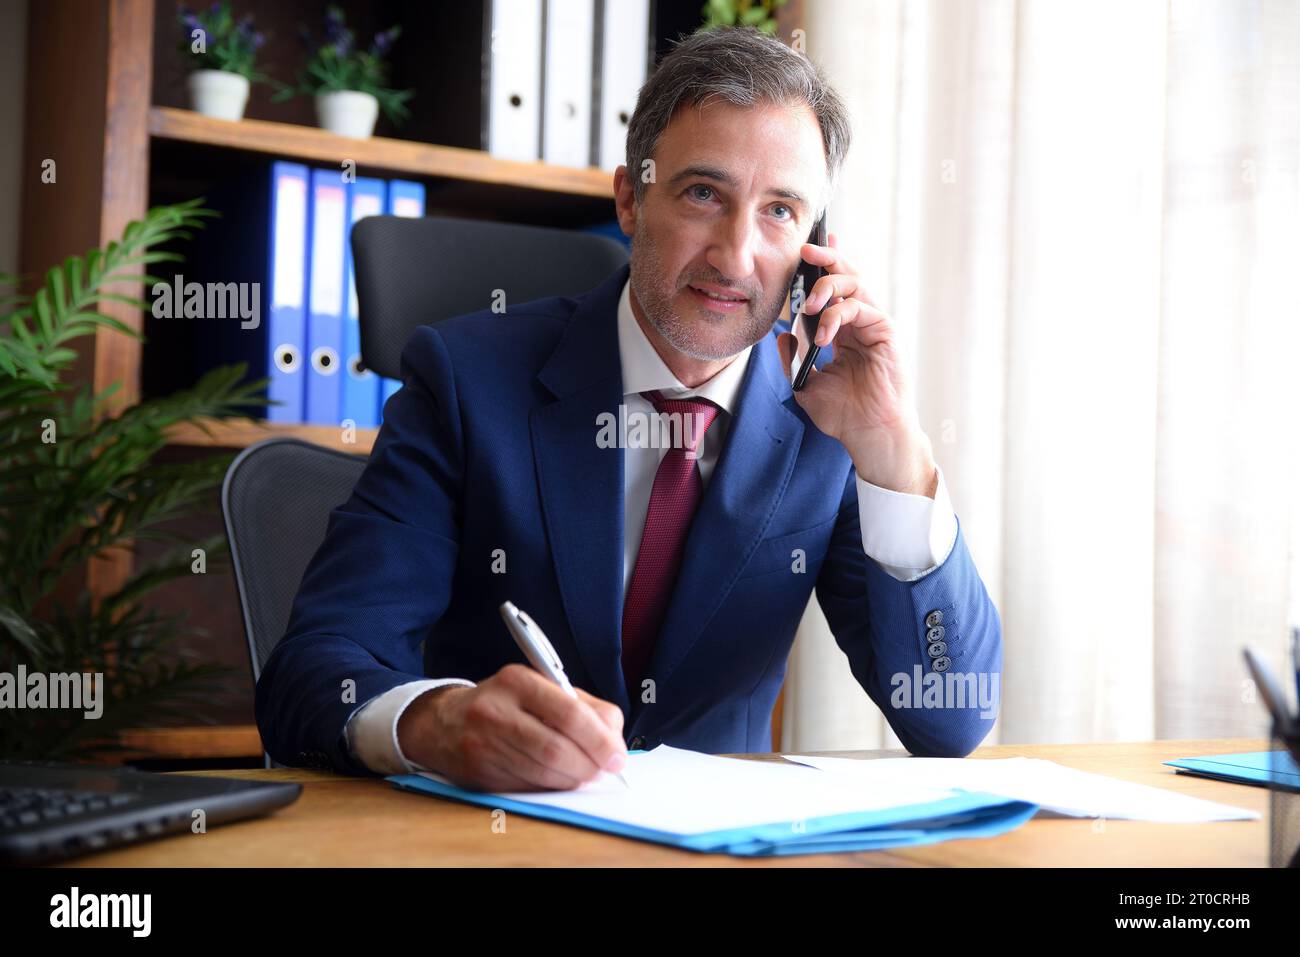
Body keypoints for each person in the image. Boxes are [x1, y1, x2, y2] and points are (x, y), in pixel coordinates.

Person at [256, 26, 1002, 791]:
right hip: (496, 839)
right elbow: (312, 676)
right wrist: (440, 721)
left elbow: (949, 718)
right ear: (630, 198)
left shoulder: (828, 422)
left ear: (816, 245)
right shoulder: (466, 381)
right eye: (704, 194)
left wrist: (892, 449)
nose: (736, 255)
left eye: (780, 211)